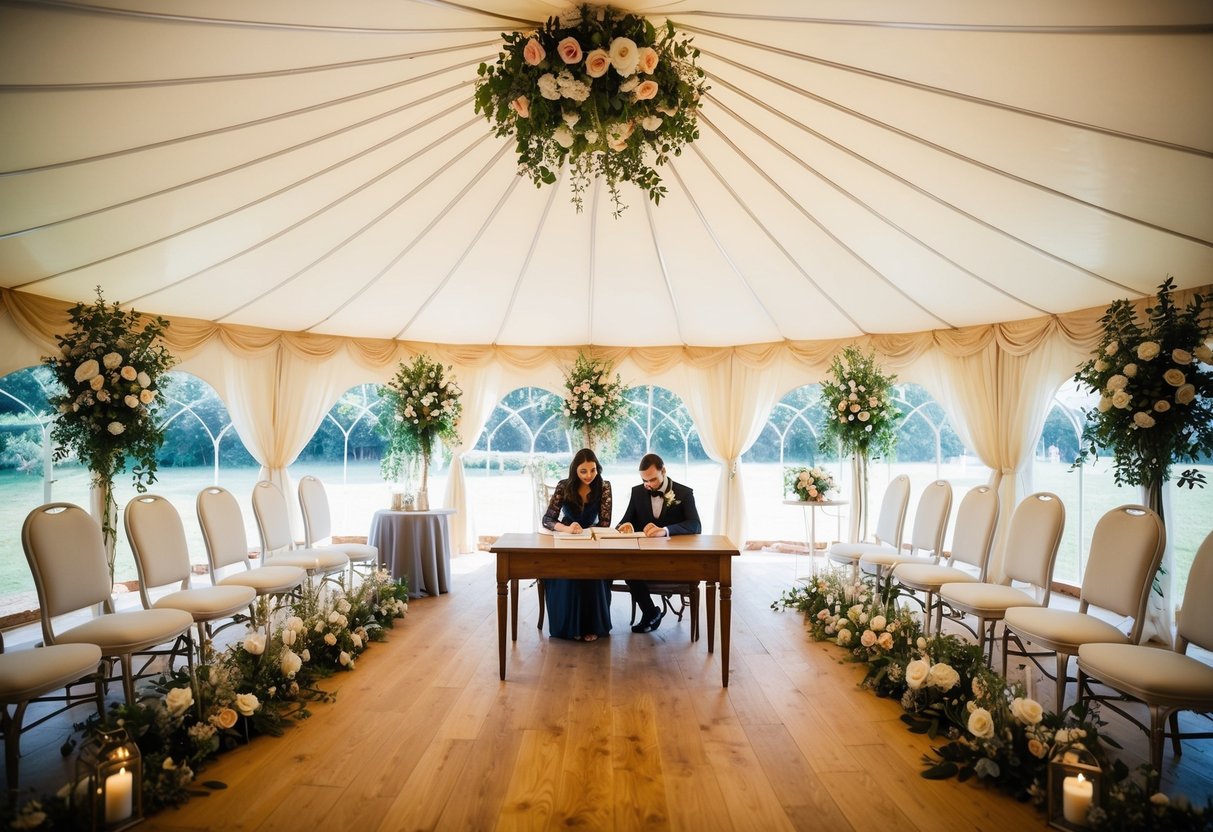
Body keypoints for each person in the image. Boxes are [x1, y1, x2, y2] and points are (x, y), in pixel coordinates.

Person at [616, 452, 701, 633]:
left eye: (653, 479)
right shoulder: (637, 492)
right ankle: (650, 612)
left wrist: (665, 530)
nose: (648, 485)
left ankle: (650, 615)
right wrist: (625, 526)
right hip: (644, 557)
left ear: (664, 471)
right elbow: (624, 521)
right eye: (644, 480)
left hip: (673, 559)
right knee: (627, 568)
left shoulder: (684, 493)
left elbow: (695, 525)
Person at [540, 448, 614, 641]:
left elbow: (605, 523)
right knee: (566, 574)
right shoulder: (564, 486)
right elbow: (547, 519)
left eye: (593, 470)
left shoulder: (604, 487)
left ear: (598, 468)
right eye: (583, 471)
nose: (589, 475)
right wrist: (567, 529)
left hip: (592, 541)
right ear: (575, 470)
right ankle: (569, 628)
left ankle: (591, 627)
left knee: (594, 574)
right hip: (567, 539)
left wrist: (588, 532)